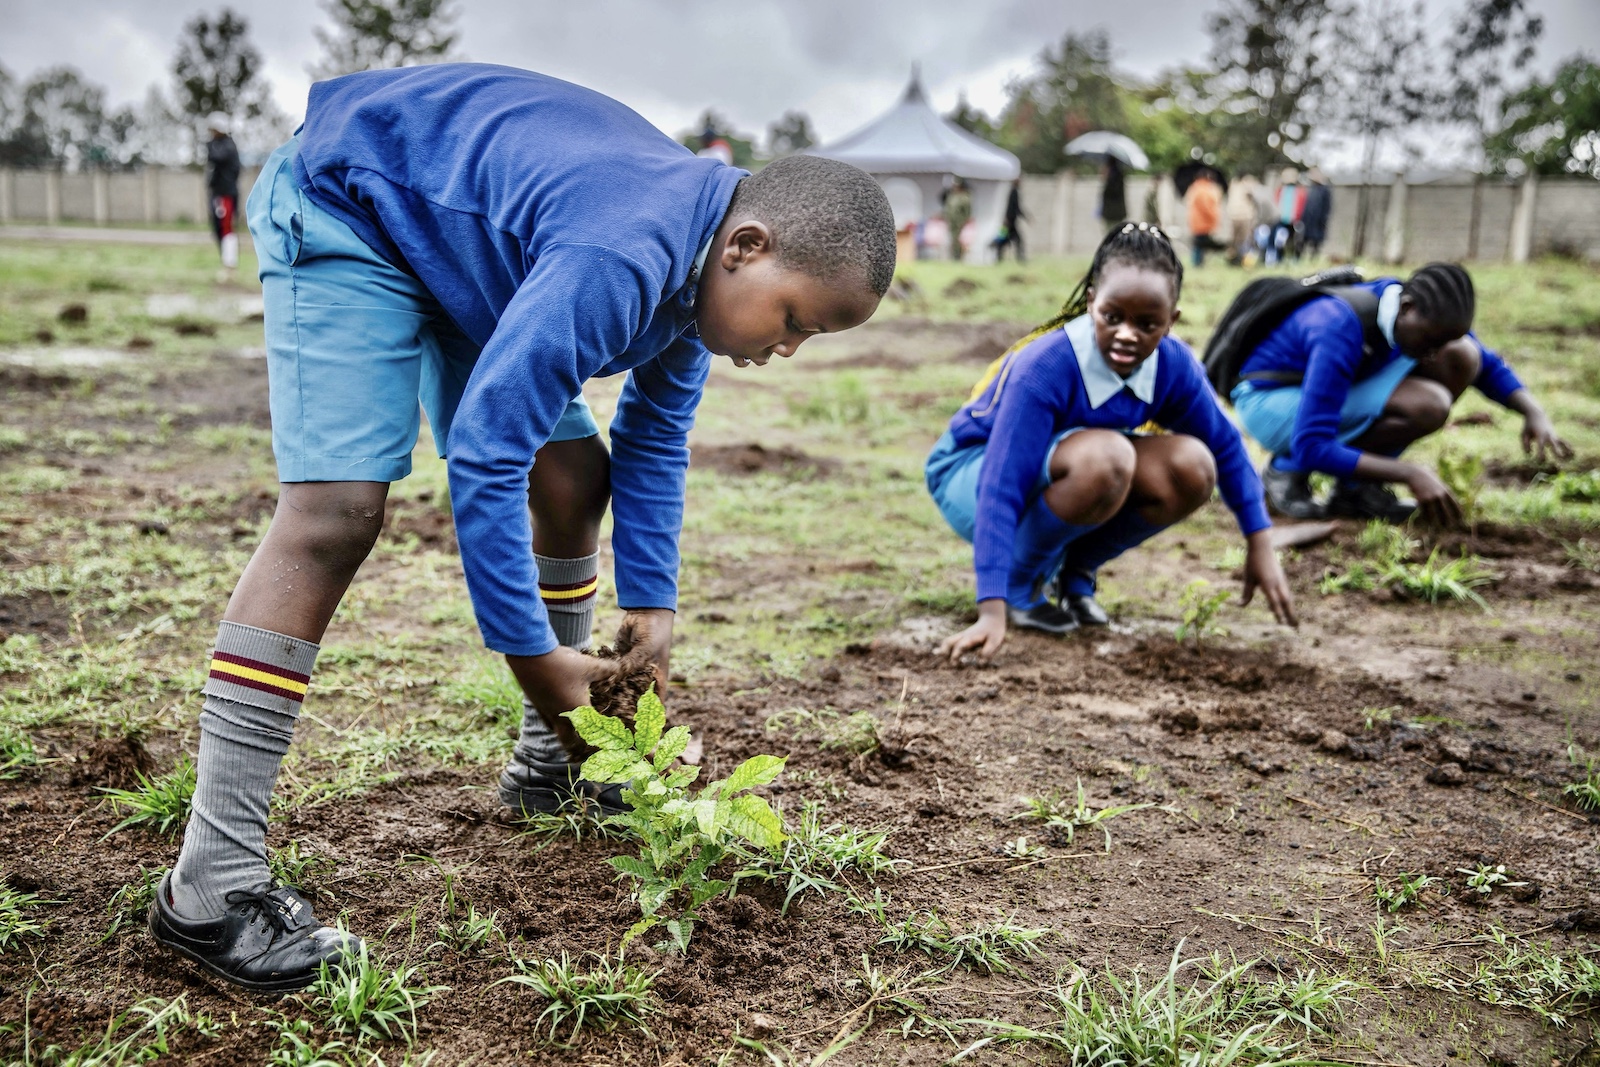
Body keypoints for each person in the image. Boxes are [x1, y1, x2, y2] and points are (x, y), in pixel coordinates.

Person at [146, 63, 895, 992]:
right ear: (745, 245)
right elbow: (489, 451)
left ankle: (550, 764)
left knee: (574, 472)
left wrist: (654, 608)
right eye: (793, 321)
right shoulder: (625, 252)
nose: (783, 349)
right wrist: (537, 660)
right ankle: (209, 885)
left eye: (807, 339)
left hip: (462, 254)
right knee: (336, 513)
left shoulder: (702, 282)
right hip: (354, 202)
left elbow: (652, 441)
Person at [927, 222, 1296, 661]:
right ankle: (1019, 584)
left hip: (1066, 470)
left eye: (1147, 324)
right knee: (1108, 458)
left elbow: (1228, 450)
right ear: (1090, 304)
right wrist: (991, 606)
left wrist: (1259, 542)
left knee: (1193, 467)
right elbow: (1001, 482)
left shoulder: (1173, 367)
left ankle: (1075, 573)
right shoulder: (1047, 366)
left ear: (1170, 323)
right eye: (1112, 317)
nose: (1126, 334)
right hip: (971, 472)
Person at [1233, 263, 1570, 523]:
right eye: (1429, 341)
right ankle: (1285, 470)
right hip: (1268, 402)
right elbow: (1313, 444)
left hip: (1319, 393)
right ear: (1407, 308)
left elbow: (1485, 363)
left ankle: (1355, 490)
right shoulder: (1339, 327)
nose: (1434, 354)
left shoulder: (1412, 313)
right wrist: (1411, 473)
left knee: (1464, 355)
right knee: (1427, 404)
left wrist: (1532, 411)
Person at [205, 112, 241, 271]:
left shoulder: (227, 146)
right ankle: (225, 259)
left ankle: (230, 262)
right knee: (218, 227)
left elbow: (216, 157)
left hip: (225, 193)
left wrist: (209, 145)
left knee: (226, 227)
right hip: (217, 192)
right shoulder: (217, 145)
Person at [1185, 172, 1224, 267]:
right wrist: (1214, 217)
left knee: (1198, 244)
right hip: (1203, 222)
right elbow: (1206, 207)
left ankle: (1197, 262)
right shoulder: (1204, 190)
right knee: (1200, 244)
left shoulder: (1195, 188)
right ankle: (1197, 263)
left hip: (1196, 222)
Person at [1227, 174, 1262, 265]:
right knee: (1242, 241)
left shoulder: (1234, 186)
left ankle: (1236, 260)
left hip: (1235, 216)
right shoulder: (1245, 188)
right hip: (1244, 217)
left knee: (1236, 241)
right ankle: (1240, 260)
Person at [1300, 167, 1332, 261]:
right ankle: (1300, 258)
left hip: (1318, 221)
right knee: (1303, 240)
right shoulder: (1310, 188)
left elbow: (1327, 206)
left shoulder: (1325, 190)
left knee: (1316, 242)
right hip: (1307, 220)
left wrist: (1324, 219)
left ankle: (1313, 259)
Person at [993, 178, 1026, 262]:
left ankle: (999, 256)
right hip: (1010, 222)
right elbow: (1015, 208)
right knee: (1013, 240)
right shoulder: (1014, 192)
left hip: (1010, 221)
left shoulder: (1012, 191)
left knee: (1007, 240)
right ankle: (1019, 258)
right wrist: (1026, 217)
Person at [944, 178, 972, 261]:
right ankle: (954, 256)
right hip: (951, 221)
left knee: (960, 240)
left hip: (960, 222)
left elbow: (967, 212)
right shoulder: (952, 196)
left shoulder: (965, 197)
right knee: (953, 239)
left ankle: (958, 257)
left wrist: (964, 222)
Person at [1100, 157, 1127, 231]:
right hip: (1115, 212)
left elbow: (1111, 192)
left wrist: (1106, 178)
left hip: (1113, 212)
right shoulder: (1118, 174)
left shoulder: (1114, 176)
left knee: (1111, 232)